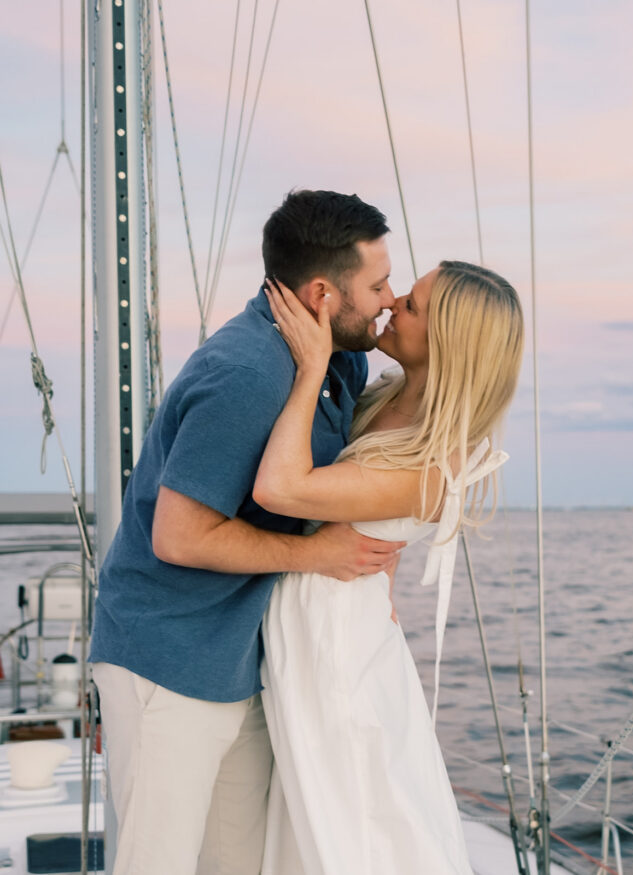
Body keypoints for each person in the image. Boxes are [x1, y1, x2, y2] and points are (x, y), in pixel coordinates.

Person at [88, 190, 407, 875]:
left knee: (241, 863)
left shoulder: (338, 358)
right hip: (166, 661)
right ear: (322, 292)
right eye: (378, 284)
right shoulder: (244, 372)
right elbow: (179, 536)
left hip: (244, 661)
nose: (390, 296)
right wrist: (317, 554)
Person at [254, 260, 524, 874]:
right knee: (305, 805)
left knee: (348, 814)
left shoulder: (433, 463)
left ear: (448, 341)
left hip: (334, 646)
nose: (394, 302)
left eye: (415, 305)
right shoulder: (384, 397)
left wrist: (311, 366)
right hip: (317, 617)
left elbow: (281, 487)